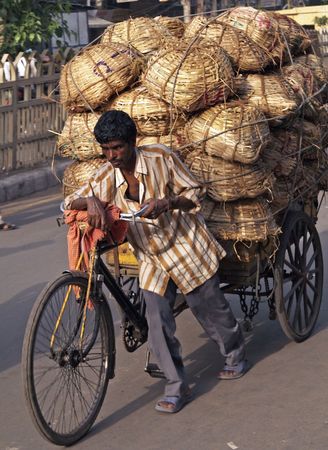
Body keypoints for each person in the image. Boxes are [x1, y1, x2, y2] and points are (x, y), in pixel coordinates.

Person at [64, 110, 248, 414]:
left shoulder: (161, 158)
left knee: (208, 307)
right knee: (156, 318)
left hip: (185, 244)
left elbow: (195, 193)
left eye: (118, 147)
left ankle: (234, 351)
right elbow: (69, 201)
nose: (113, 156)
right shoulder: (105, 175)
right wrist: (92, 201)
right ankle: (177, 386)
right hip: (151, 255)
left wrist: (168, 202)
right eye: (106, 149)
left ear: (133, 142)